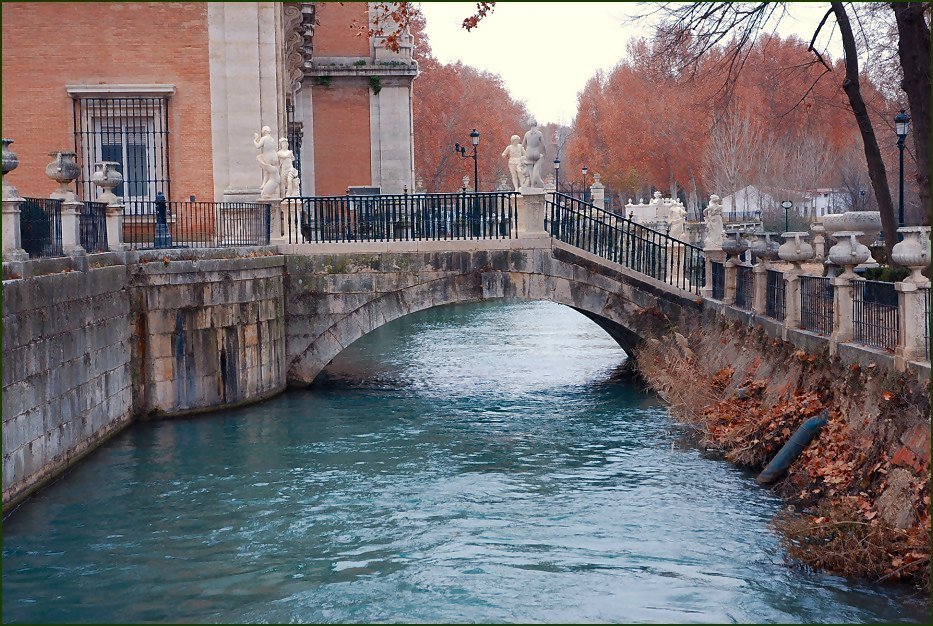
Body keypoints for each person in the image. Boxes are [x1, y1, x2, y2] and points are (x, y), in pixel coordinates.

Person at [520, 118, 547, 189]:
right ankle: (537, 179)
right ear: (536, 124)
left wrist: (523, 154)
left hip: (528, 153)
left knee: (530, 170)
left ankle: (532, 185)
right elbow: (543, 145)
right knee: (539, 162)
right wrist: (544, 153)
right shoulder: (539, 133)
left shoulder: (527, 134)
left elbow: (522, 145)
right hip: (536, 153)